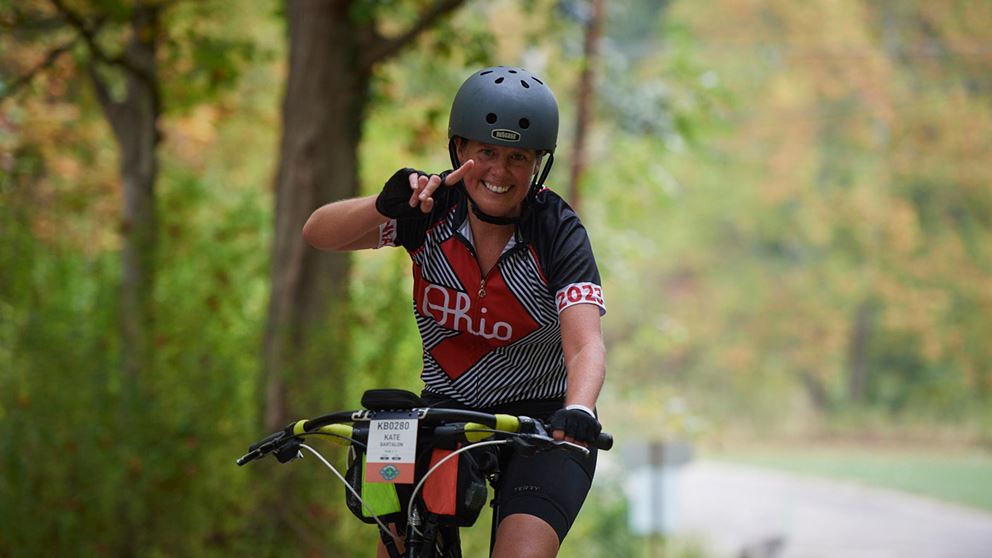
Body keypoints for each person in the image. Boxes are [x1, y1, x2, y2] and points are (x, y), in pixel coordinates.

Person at [303, 66, 606, 558]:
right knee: (397, 547)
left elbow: (585, 342)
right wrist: (383, 206)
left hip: (543, 420)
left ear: (537, 166)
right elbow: (318, 233)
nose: (499, 172)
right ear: (459, 150)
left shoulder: (556, 230)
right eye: (486, 152)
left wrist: (580, 409)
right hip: (443, 410)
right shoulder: (429, 211)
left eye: (517, 158)